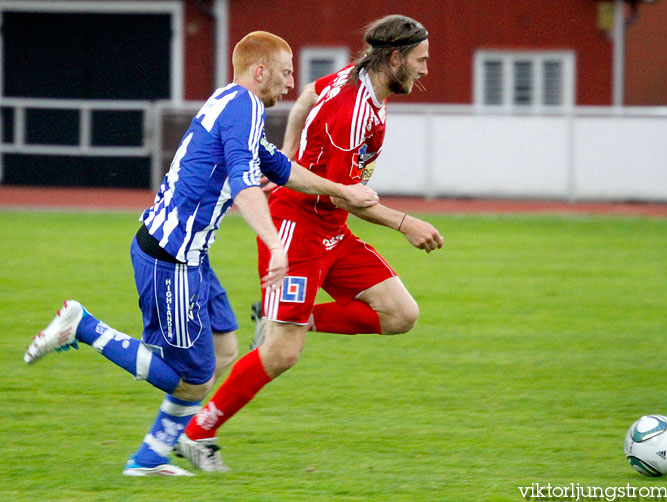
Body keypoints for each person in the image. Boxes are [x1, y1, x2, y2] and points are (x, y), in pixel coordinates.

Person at [23, 31, 378, 477]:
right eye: (285, 73)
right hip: (171, 260)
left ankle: (149, 461)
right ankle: (84, 326)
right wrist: (275, 244)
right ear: (260, 71)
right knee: (192, 379)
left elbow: (281, 169)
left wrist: (342, 190)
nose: (290, 84)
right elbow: (246, 185)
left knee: (224, 349)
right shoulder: (243, 107)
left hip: (192, 256)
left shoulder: (234, 105)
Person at [177, 15, 444, 472]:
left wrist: (282, 159)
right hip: (297, 228)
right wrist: (405, 223)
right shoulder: (351, 115)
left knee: (401, 314)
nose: (425, 69)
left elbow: (305, 98)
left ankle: (280, 317)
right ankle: (196, 434)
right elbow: (349, 196)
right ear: (395, 58)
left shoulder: (353, 78)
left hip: (330, 228)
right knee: (282, 353)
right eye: (420, 61)